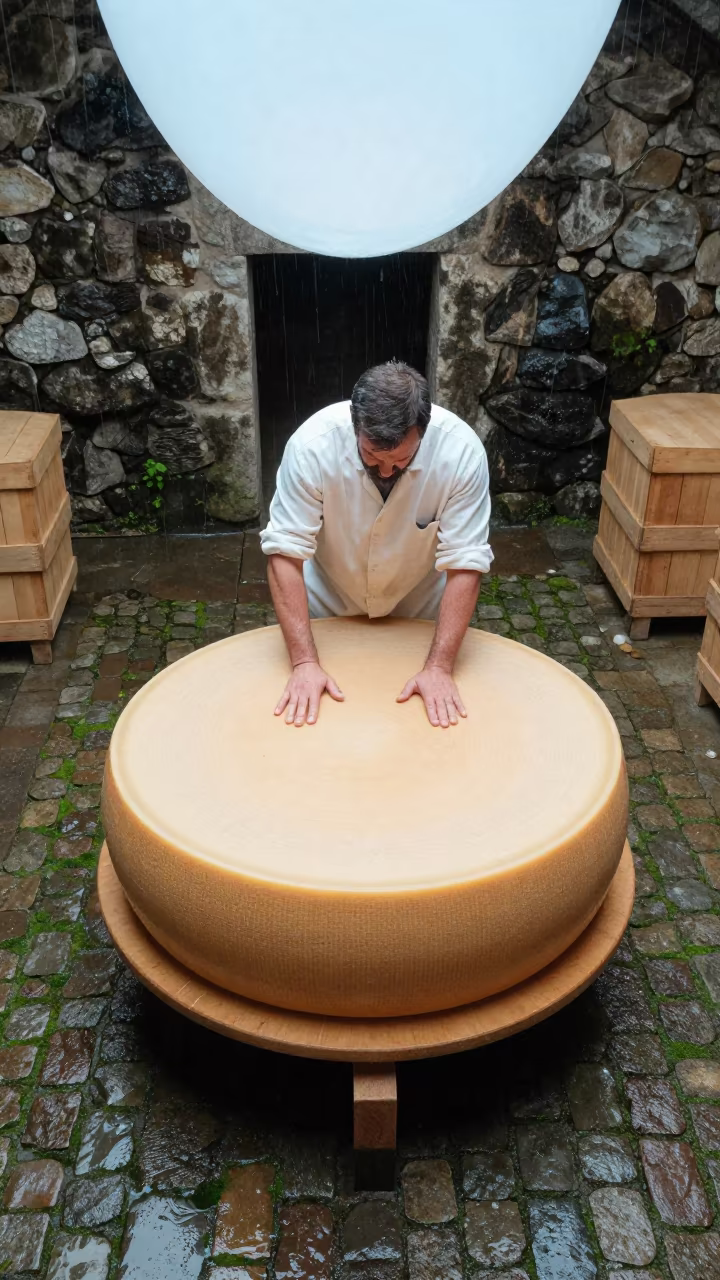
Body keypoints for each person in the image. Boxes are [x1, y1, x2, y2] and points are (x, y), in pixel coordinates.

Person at [260, 360, 493, 728]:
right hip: (329, 604)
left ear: (423, 431)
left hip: (417, 609)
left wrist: (439, 666)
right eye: (371, 457)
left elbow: (466, 561)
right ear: (356, 426)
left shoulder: (461, 454)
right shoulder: (311, 448)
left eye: (400, 460)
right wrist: (304, 662)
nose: (385, 471)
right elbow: (285, 553)